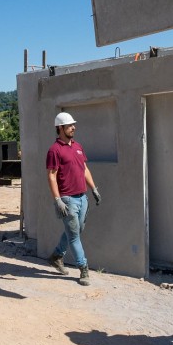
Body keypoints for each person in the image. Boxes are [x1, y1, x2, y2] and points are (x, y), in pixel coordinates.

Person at [45, 112, 102, 286]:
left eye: (73, 125)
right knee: (74, 236)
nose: (73, 127)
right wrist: (57, 200)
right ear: (60, 128)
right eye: (69, 125)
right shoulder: (54, 150)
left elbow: (84, 169)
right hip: (67, 200)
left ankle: (56, 255)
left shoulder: (78, 146)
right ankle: (83, 268)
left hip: (82, 198)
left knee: (76, 232)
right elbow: (52, 176)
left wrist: (94, 189)